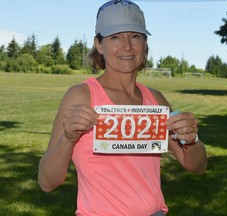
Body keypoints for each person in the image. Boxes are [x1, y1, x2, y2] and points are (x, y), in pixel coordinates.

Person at [38, 0, 207, 215]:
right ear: (99, 44)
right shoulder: (81, 96)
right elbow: (46, 182)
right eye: (115, 37)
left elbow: (197, 166)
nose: (127, 46)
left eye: (135, 36)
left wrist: (191, 140)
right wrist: (68, 139)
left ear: (145, 44)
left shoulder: (155, 99)